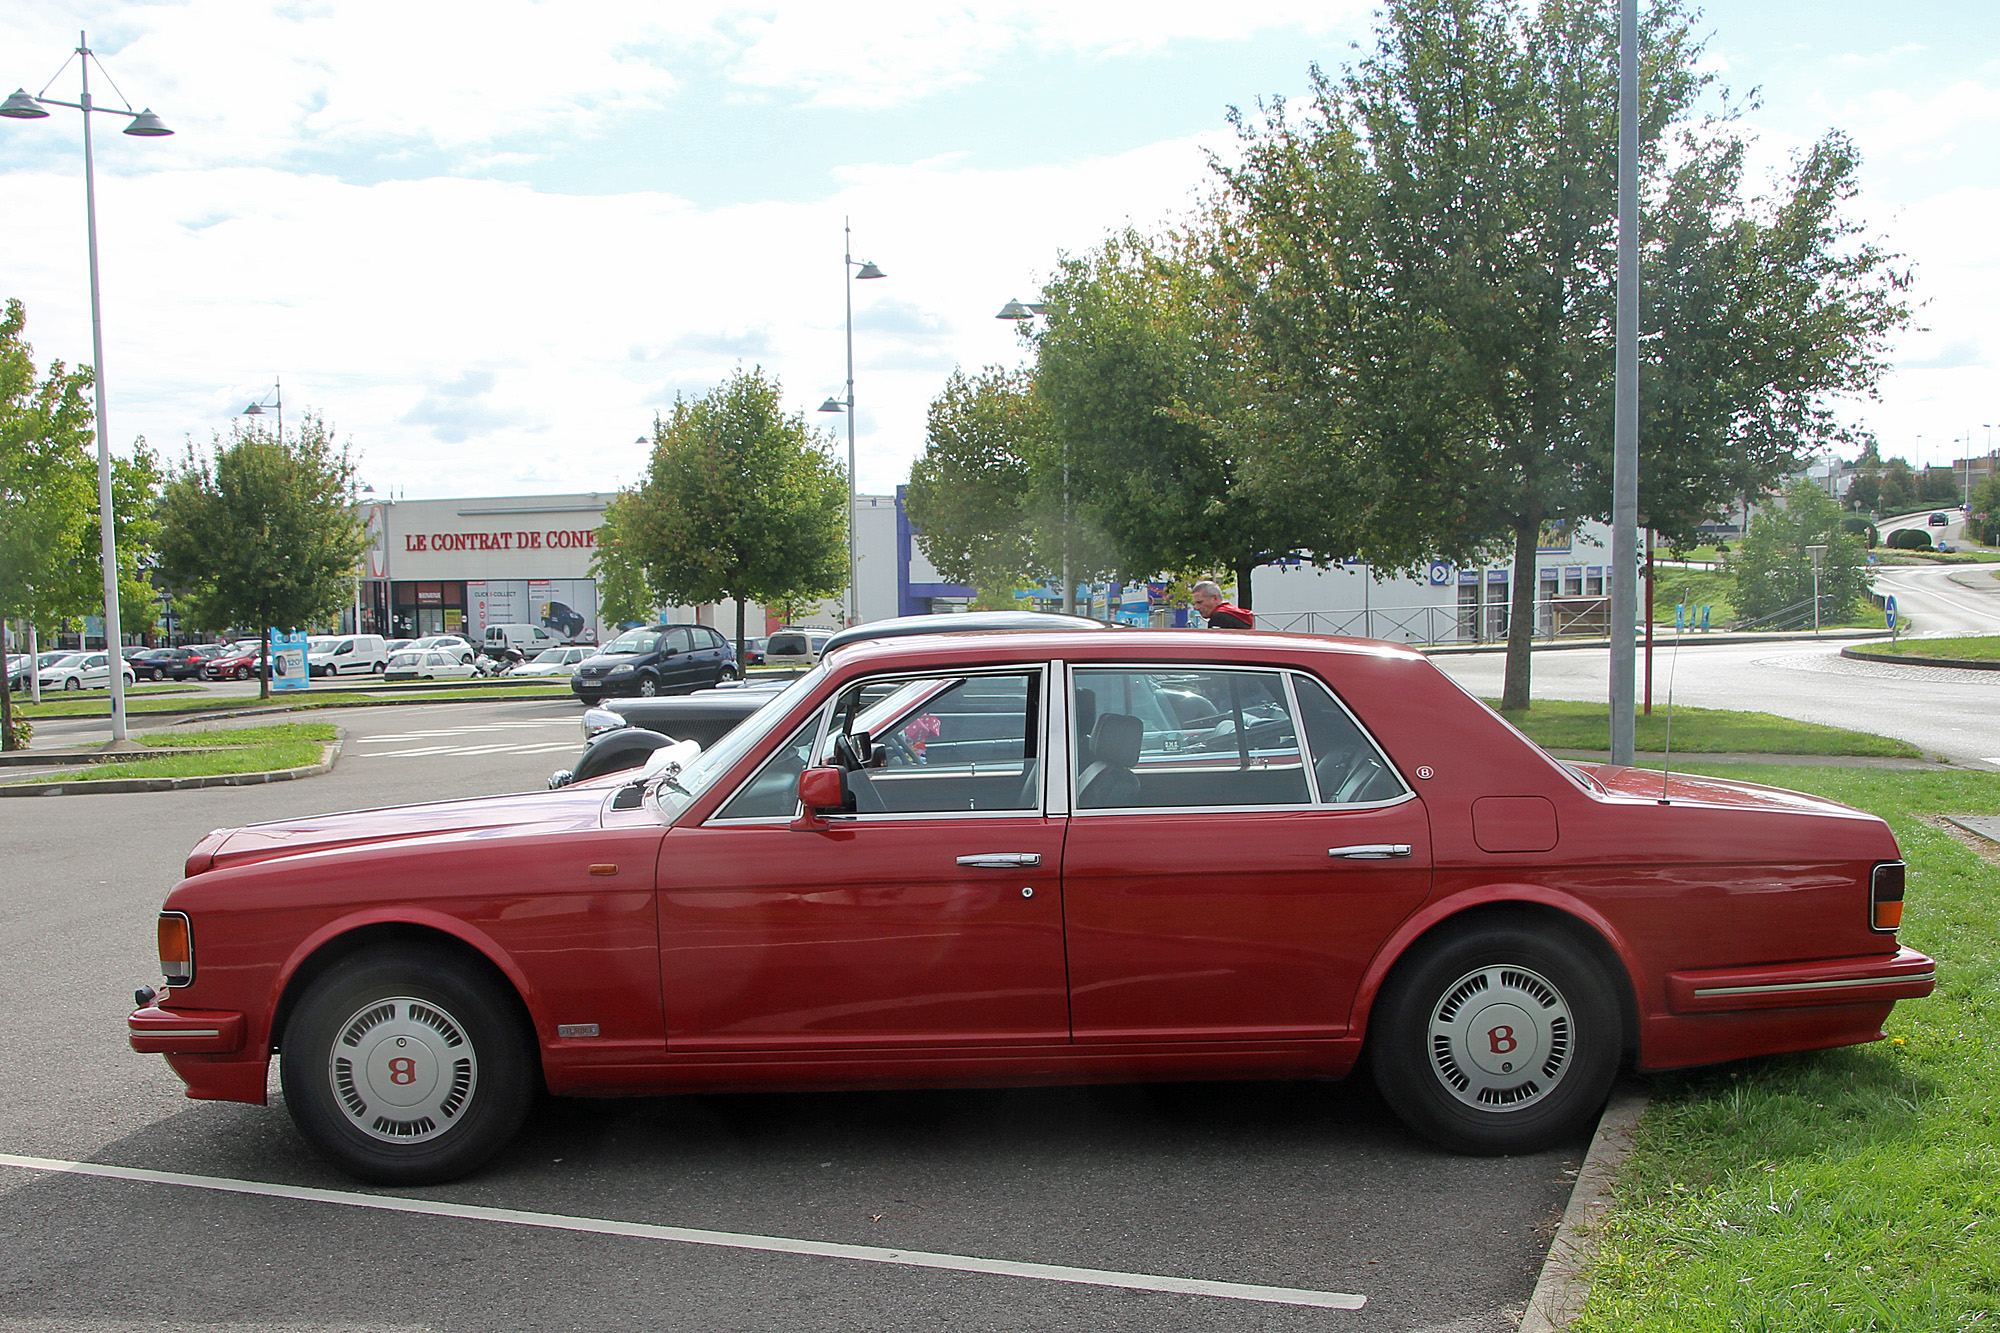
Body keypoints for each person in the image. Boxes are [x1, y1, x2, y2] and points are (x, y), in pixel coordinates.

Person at [1188, 580, 1254, 629]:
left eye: (1200, 602)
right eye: (1195, 603)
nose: (1196, 607)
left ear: (1215, 598)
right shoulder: (1232, 613)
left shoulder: (1219, 618)